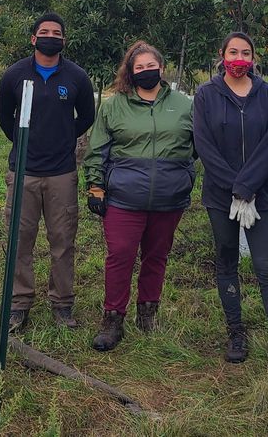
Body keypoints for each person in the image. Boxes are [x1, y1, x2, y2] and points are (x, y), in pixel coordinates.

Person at [192, 32, 268, 375]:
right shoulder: (206, 95)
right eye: (233, 51)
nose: (239, 57)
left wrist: (248, 186)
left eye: (246, 52)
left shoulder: (267, 94)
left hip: (260, 195)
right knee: (226, 263)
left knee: (266, 268)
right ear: (221, 55)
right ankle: (236, 333)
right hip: (221, 196)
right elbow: (204, 145)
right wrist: (234, 187)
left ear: (254, 58)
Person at [83, 41, 194, 352]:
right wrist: (95, 186)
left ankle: (148, 314)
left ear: (161, 68)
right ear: (130, 72)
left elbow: (198, 147)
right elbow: (97, 150)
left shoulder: (184, 105)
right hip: (123, 198)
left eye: (151, 66)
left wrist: (185, 178)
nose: (147, 71)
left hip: (169, 199)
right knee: (120, 257)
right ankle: (113, 319)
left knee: (156, 257)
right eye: (140, 67)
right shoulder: (114, 105)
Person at [0, 12, 96, 332]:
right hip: (23, 170)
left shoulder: (76, 77)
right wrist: (25, 142)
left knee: (63, 241)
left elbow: (87, 116)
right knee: (19, 240)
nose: (51, 36)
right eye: (45, 31)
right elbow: (3, 117)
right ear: (33, 38)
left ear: (64, 40)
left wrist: (65, 139)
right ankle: (18, 303)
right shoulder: (15, 75)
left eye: (57, 32)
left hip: (61, 173)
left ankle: (62, 304)